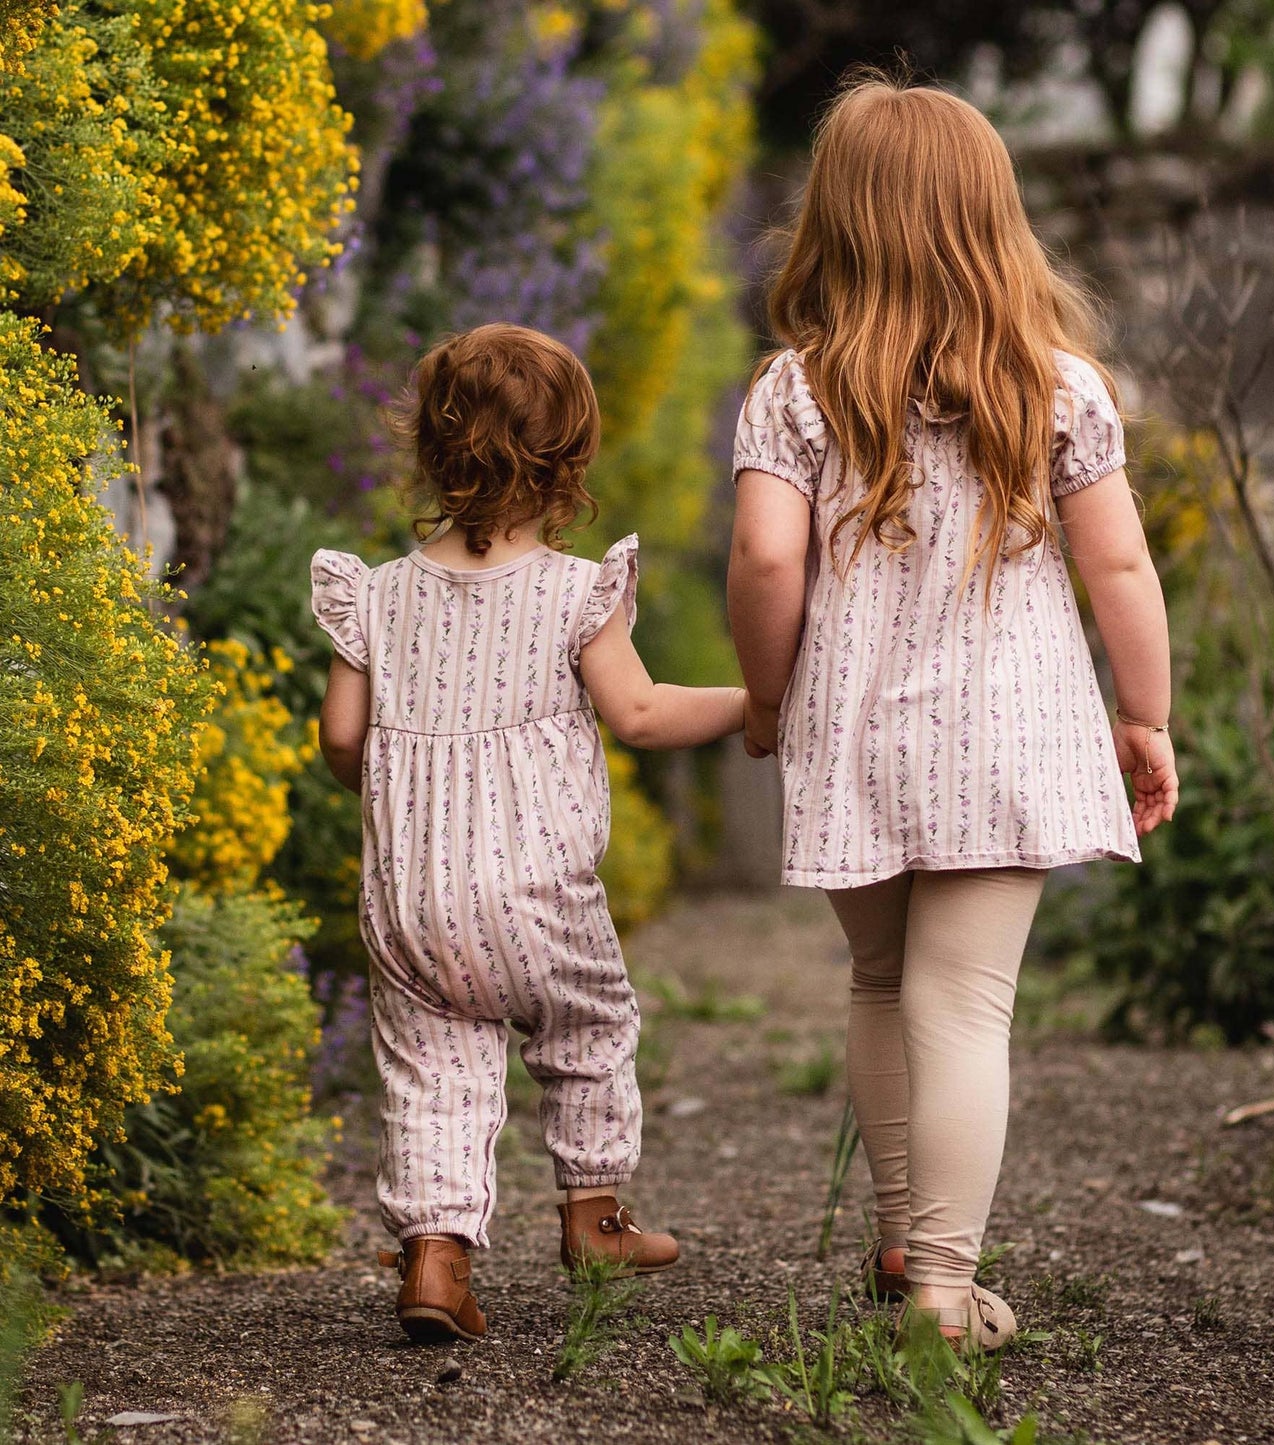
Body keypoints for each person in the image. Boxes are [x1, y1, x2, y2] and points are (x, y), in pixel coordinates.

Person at [727, 75, 1178, 1352]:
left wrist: (767, 693)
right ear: (993, 218)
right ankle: (938, 1281)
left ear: (838, 220)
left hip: (854, 729)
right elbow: (1121, 570)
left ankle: (894, 1230)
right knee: (965, 1003)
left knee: (879, 981)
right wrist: (1142, 714)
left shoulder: (793, 391)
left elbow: (765, 563)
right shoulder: (1057, 388)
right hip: (1007, 736)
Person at [313, 322, 745, 1343]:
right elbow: (638, 715)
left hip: (410, 897)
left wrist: (374, 776)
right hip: (537, 896)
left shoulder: (374, 594)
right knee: (588, 1027)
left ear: (428, 447)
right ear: (571, 461)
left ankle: (435, 1255)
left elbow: (341, 734)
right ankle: (594, 1215)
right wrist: (754, 705)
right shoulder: (573, 592)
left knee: (431, 1065)